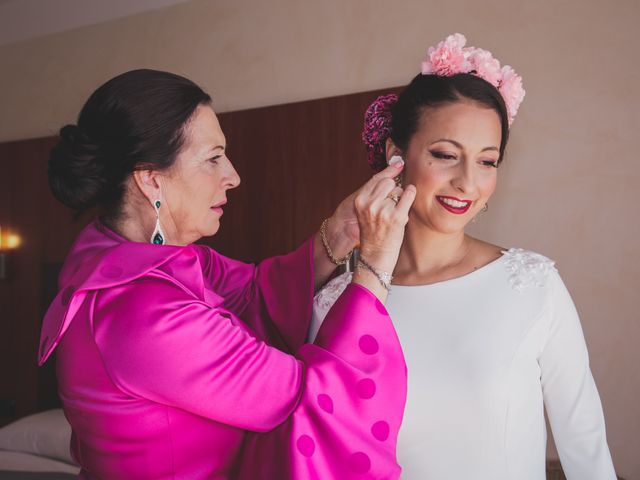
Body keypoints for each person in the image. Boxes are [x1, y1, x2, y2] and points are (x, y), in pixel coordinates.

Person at [39, 69, 417, 479]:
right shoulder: (143, 315)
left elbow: (255, 291)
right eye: (213, 158)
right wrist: (376, 266)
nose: (233, 176)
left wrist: (342, 231)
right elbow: (311, 401)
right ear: (152, 181)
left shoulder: (136, 259)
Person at [311, 34, 617, 480]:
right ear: (397, 156)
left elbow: (585, 444)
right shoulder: (336, 303)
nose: (468, 183)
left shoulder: (531, 284)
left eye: (488, 161)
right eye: (445, 155)